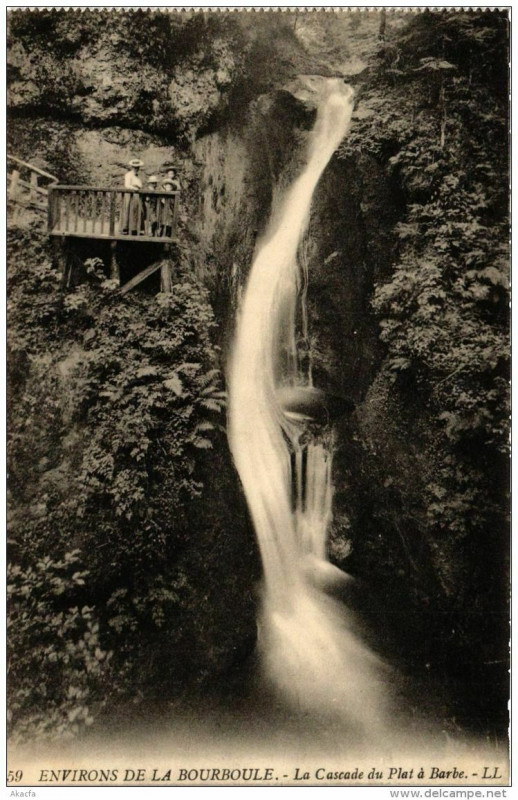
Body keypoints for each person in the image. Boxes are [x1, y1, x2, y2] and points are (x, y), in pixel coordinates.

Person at [121, 158, 143, 235]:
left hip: (137, 196)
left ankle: (134, 228)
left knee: (136, 211)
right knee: (128, 210)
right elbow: (127, 185)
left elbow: (140, 186)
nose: (136, 169)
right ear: (132, 167)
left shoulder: (138, 177)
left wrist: (138, 188)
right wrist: (134, 188)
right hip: (130, 195)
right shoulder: (128, 175)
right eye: (135, 167)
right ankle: (125, 228)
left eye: (138, 167)